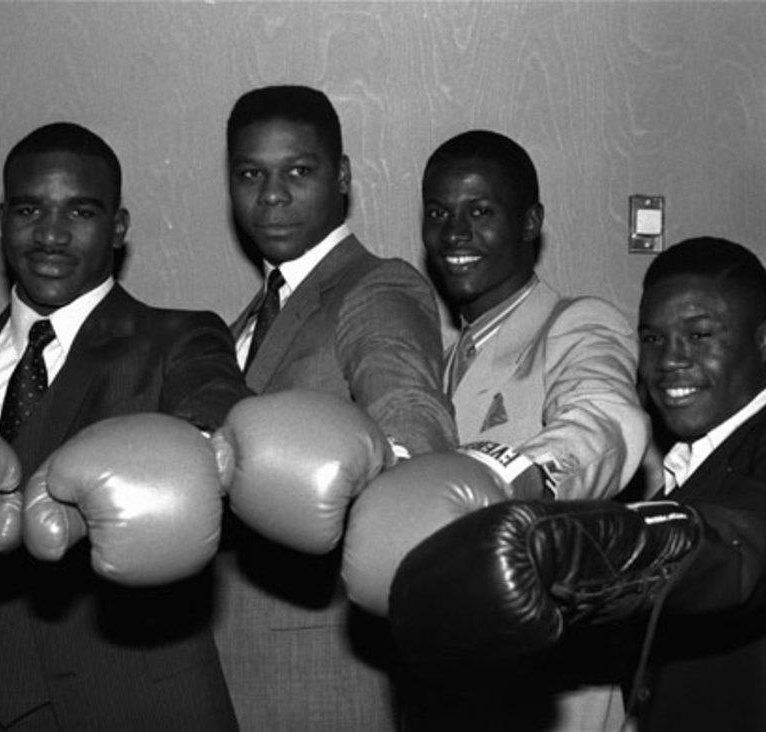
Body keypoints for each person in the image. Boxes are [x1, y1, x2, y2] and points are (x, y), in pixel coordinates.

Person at [387, 237, 766, 732]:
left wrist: (573, 546)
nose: (670, 359)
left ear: (763, 341)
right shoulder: (677, 485)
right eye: (652, 339)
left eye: (699, 335)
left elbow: (763, 536)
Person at [0, 122, 251, 730]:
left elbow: (221, 414)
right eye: (30, 209)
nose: (51, 235)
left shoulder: (178, 338)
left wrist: (186, 455)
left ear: (117, 227)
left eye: (80, 212)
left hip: (121, 701)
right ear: (3, 218)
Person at [215, 85, 456, 729]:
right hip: (226, 669)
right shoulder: (242, 323)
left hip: (322, 677)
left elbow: (411, 414)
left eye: (298, 170)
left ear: (342, 177)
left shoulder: (375, 286)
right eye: (250, 174)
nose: (271, 195)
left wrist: (402, 467)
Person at [398, 129, 648, 728]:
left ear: (531, 222)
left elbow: (605, 420)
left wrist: (506, 479)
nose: (455, 234)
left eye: (480, 211)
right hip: (454, 683)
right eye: (439, 213)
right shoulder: (437, 359)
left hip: (551, 687)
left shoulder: (576, 323)